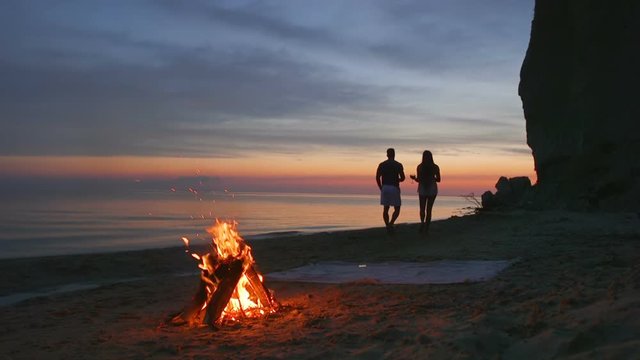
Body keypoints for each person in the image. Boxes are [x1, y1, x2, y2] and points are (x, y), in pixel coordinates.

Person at [409, 150, 441, 234]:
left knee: (422, 208)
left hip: (422, 187)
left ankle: (422, 223)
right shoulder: (435, 167)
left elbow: (418, 180)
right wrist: (432, 178)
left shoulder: (420, 167)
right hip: (432, 188)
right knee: (429, 209)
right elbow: (439, 179)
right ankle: (427, 228)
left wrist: (414, 178)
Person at [376, 148, 405, 234]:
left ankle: (388, 225)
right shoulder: (398, 165)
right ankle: (391, 224)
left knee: (386, 208)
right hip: (394, 187)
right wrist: (398, 179)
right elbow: (403, 178)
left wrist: (381, 187)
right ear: (394, 154)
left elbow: (377, 177)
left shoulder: (382, 164)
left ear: (387, 155)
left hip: (385, 187)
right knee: (397, 208)